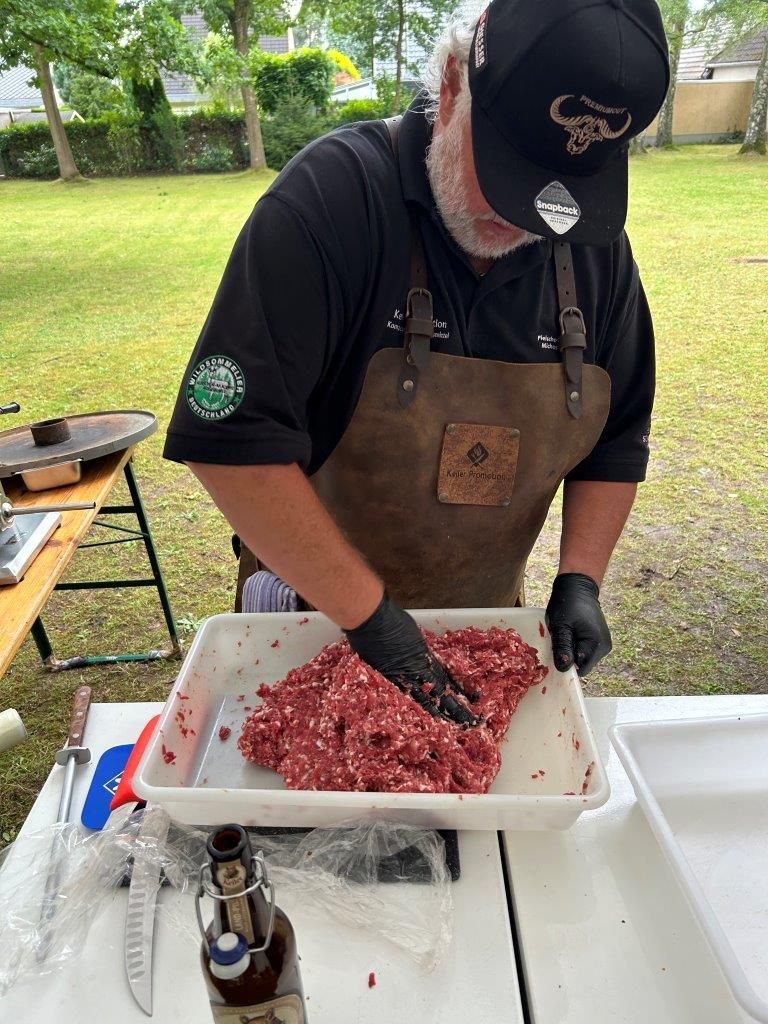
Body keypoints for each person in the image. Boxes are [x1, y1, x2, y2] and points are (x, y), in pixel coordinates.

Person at [164, 0, 670, 725]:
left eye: (557, 194)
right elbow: (231, 445)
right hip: (311, 620)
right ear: (454, 81)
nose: (527, 215)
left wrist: (581, 578)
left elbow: (617, 440)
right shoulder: (330, 202)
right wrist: (371, 622)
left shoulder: (591, 250)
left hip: (485, 623)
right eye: (509, 169)